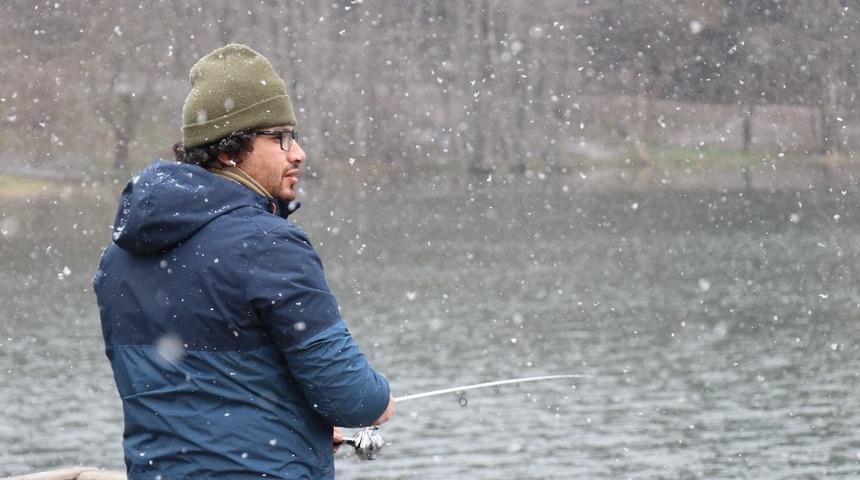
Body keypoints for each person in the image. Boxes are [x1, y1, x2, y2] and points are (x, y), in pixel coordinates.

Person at [93, 43, 394, 479]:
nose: (298, 153)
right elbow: (350, 397)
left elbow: (184, 389)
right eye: (281, 138)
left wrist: (292, 419)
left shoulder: (118, 256)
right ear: (229, 150)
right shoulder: (269, 245)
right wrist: (380, 399)